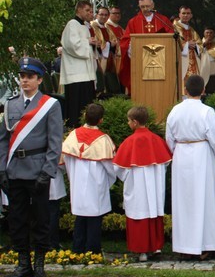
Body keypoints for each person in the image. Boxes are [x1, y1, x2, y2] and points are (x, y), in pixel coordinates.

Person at [0, 57, 63, 277]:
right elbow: (3, 139)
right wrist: (1, 169)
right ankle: (23, 262)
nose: (24, 81)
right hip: (15, 168)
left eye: (29, 77)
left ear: (39, 79)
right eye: (22, 76)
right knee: (16, 219)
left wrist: (47, 172)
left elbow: (55, 142)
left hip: (38, 170)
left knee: (40, 219)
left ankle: (39, 264)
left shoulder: (50, 105)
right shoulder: (11, 104)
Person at [166, 75, 215, 261]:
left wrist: (178, 151)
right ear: (203, 91)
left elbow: (169, 139)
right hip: (202, 156)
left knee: (184, 201)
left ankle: (185, 246)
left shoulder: (175, 111)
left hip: (181, 156)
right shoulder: (207, 112)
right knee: (206, 199)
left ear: (185, 89)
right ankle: (207, 245)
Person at [113, 106, 172, 262]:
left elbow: (118, 168)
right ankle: (156, 247)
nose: (127, 123)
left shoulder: (129, 142)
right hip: (155, 187)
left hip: (137, 187)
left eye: (128, 121)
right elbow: (164, 164)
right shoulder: (157, 140)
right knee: (154, 212)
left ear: (134, 122)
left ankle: (142, 252)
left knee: (139, 214)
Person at [62, 103, 116, 254]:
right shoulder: (103, 139)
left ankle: (77, 248)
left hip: (77, 181)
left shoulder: (73, 135)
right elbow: (110, 167)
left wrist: (73, 176)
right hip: (95, 183)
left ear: (85, 116)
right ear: (101, 120)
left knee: (80, 217)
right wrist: (109, 181)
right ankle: (93, 250)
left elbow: (66, 159)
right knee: (94, 217)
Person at [118, 0, 174, 91]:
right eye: (142, 7)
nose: (145, 9)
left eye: (147, 6)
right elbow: (125, 41)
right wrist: (130, 45)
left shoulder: (163, 20)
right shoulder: (133, 22)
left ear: (153, 6)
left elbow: (172, 37)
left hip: (161, 61)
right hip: (140, 61)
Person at [60, 0, 97, 128]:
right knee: (76, 106)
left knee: (86, 105)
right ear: (79, 10)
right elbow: (72, 45)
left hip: (85, 74)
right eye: (87, 10)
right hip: (76, 74)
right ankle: (73, 129)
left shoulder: (85, 26)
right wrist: (88, 42)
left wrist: (91, 43)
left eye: (91, 11)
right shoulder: (72, 24)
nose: (90, 13)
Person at [173, 6, 203, 82]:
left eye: (188, 13)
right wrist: (186, 45)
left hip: (192, 61)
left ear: (191, 15)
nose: (186, 15)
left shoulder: (192, 30)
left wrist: (195, 45)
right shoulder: (173, 28)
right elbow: (171, 43)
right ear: (179, 15)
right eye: (183, 13)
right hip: (179, 60)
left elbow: (200, 45)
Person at [90, 6, 119, 77]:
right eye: (101, 14)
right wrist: (109, 44)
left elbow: (114, 40)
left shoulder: (107, 27)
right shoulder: (92, 26)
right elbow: (96, 42)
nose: (104, 17)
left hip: (109, 58)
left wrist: (113, 44)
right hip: (97, 57)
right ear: (97, 15)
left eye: (106, 15)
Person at [106, 6, 125, 76]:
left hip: (121, 59)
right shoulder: (106, 27)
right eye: (115, 13)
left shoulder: (120, 28)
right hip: (111, 59)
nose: (117, 15)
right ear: (109, 14)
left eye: (119, 13)